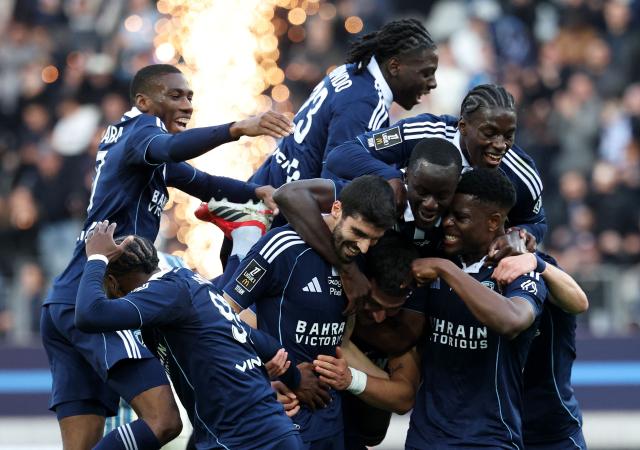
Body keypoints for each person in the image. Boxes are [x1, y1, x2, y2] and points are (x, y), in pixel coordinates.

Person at [39, 63, 292, 449]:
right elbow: (168, 147)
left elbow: (202, 182)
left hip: (63, 300)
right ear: (144, 101)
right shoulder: (143, 130)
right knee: (163, 422)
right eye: (175, 95)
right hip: (97, 296)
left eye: (189, 95)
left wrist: (254, 193)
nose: (187, 104)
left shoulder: (137, 149)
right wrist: (237, 129)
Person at [315, 169, 548, 449]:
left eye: (459, 217)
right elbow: (403, 342)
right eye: (448, 213)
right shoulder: (430, 266)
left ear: (493, 221)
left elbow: (512, 320)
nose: (446, 222)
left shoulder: (519, 269)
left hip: (488, 439)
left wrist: (445, 269)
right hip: (424, 439)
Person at [74, 221, 304, 449]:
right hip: (275, 432)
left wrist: (96, 258)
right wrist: (293, 380)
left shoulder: (165, 292)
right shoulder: (191, 285)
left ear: (112, 282)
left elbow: (88, 314)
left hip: (241, 439)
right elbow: (257, 340)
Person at [222, 175, 397, 450]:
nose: (363, 247)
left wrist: (364, 378)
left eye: (372, 240)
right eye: (359, 234)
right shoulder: (283, 246)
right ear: (336, 210)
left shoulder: (358, 261)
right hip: (281, 419)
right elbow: (221, 316)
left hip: (330, 422)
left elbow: (340, 340)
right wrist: (262, 383)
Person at [322, 83, 547, 248]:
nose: (500, 145)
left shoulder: (521, 173)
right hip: (397, 243)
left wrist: (521, 234)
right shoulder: (425, 131)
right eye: (489, 133)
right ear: (462, 126)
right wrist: (392, 178)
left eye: (509, 135)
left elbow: (536, 221)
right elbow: (341, 155)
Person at [250, 18, 438, 188]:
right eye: (425, 73)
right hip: (270, 215)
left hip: (261, 187)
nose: (433, 83)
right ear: (395, 67)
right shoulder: (364, 105)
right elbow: (333, 187)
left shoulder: (352, 72)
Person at [493, 251, 589, 449]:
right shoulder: (470, 272)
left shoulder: (539, 266)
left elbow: (580, 302)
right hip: (492, 430)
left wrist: (537, 263)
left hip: (551, 430)